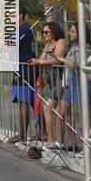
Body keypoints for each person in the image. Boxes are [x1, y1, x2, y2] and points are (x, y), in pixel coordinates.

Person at [29, 21, 68, 150]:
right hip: (52, 81)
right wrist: (40, 59)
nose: (44, 34)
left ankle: (51, 140)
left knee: (47, 109)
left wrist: (40, 61)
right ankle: (63, 142)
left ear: (54, 31)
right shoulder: (48, 44)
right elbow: (41, 59)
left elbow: (57, 59)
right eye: (43, 32)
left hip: (61, 80)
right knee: (63, 114)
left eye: (46, 32)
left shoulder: (60, 41)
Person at [56, 23, 91, 152]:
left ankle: (88, 144)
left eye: (73, 32)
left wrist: (62, 59)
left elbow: (78, 65)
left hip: (82, 83)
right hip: (71, 83)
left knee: (85, 114)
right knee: (61, 111)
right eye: (70, 31)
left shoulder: (85, 48)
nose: (70, 34)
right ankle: (66, 143)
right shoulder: (73, 46)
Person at [8, 6, 37, 144]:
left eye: (12, 14)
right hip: (21, 69)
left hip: (25, 70)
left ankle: (23, 135)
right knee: (30, 102)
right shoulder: (19, 29)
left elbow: (10, 45)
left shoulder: (24, 29)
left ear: (20, 16)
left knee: (24, 102)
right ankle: (42, 132)